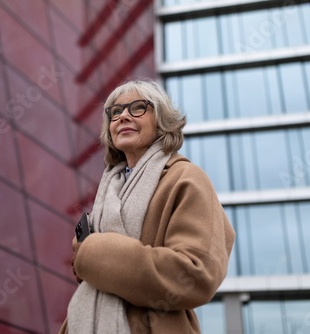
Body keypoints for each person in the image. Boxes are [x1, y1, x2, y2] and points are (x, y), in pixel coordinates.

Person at [59, 79, 235, 334]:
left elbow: (197, 274)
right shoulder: (108, 188)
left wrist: (93, 253)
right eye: (115, 112)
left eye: (138, 108)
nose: (123, 117)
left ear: (162, 120)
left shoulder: (185, 178)